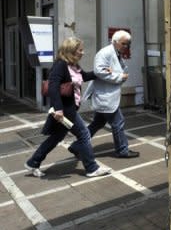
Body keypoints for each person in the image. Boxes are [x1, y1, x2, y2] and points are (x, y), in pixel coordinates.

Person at [25, 37, 111, 178]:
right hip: (65, 110)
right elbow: (53, 87)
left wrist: (101, 72)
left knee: (56, 137)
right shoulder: (61, 65)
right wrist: (58, 109)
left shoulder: (74, 66)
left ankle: (33, 162)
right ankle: (92, 168)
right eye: (80, 50)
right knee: (84, 134)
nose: (83, 52)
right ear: (71, 50)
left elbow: (84, 76)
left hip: (70, 108)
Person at [68, 30, 139, 159]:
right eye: (124, 44)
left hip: (107, 95)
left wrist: (119, 74)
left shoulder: (115, 52)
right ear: (116, 42)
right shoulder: (105, 53)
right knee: (118, 122)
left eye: (128, 44)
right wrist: (119, 77)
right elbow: (99, 72)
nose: (126, 47)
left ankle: (77, 146)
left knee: (98, 123)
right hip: (105, 95)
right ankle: (122, 150)